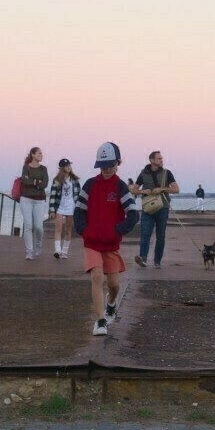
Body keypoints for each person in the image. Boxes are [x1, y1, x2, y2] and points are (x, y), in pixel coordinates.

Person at [74, 141, 138, 336]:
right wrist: (84, 230)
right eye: (103, 166)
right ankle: (101, 320)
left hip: (110, 243)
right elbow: (79, 211)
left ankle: (111, 303)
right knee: (96, 276)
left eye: (110, 165)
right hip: (92, 241)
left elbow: (133, 214)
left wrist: (117, 230)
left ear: (118, 163)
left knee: (114, 284)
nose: (107, 170)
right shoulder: (90, 185)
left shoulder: (120, 187)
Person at [132, 150, 179, 268]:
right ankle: (143, 258)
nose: (161, 160)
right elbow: (134, 189)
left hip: (162, 207)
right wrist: (142, 191)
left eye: (161, 158)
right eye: (159, 158)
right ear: (152, 160)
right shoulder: (143, 174)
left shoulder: (167, 173)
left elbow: (176, 189)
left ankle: (157, 261)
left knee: (160, 235)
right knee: (145, 233)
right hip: (148, 208)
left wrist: (162, 189)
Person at [18, 147, 49, 260]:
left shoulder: (43, 169)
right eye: (39, 153)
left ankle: (38, 244)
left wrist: (31, 181)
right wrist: (36, 182)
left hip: (39, 200)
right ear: (33, 154)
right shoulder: (26, 167)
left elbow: (45, 183)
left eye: (41, 153)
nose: (42, 155)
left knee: (38, 227)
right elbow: (24, 181)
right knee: (28, 225)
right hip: (26, 199)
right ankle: (29, 251)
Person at [49, 158, 81, 259]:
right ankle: (57, 250)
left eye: (69, 165)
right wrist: (52, 210)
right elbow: (52, 196)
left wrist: (79, 209)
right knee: (58, 228)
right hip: (60, 206)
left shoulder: (75, 180)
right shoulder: (57, 180)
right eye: (66, 166)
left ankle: (64, 251)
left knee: (68, 230)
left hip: (71, 207)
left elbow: (79, 195)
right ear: (62, 168)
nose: (69, 167)